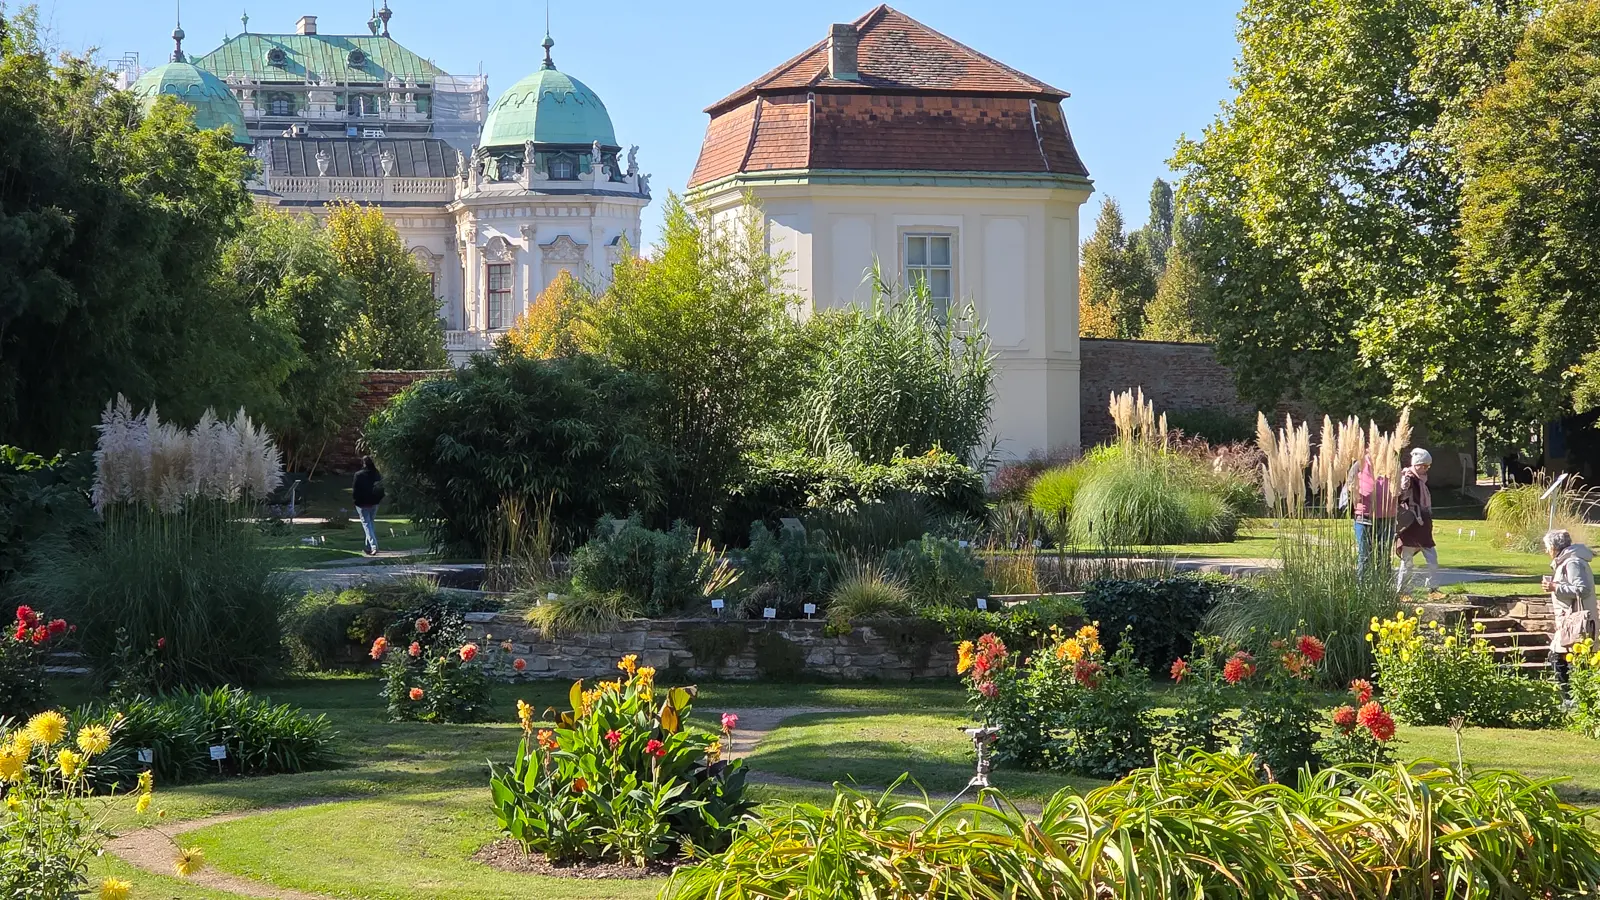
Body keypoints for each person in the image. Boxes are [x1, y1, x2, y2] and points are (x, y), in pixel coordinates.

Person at [1542, 529, 1598, 707]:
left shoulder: (1572, 562)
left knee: (1563, 658)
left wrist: (1555, 587)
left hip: (1576, 621)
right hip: (1569, 621)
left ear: (1554, 547)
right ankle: (1574, 699)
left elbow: (1583, 589)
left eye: (1547, 547)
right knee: (1564, 657)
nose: (1546, 551)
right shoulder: (1566, 561)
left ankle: (1572, 700)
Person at [1395, 448, 1438, 593]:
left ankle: (1433, 587)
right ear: (1417, 464)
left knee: (1432, 558)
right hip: (1411, 524)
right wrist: (1404, 482)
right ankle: (1402, 590)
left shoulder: (1421, 480)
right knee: (1407, 561)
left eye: (1428, 466)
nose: (1426, 469)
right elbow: (1401, 496)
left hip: (1423, 524)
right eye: (1424, 465)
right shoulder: (1408, 477)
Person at [1344, 452, 1393, 576]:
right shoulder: (1360, 463)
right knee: (1365, 555)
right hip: (1363, 517)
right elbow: (1350, 482)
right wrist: (1357, 492)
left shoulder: (1390, 463)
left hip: (1387, 517)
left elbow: (1397, 486)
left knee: (1384, 556)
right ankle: (1362, 590)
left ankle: (1385, 589)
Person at [352, 456, 385, 556]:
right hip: (374, 502)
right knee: (370, 524)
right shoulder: (376, 474)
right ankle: (368, 547)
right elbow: (381, 488)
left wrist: (356, 500)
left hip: (362, 504)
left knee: (367, 524)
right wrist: (378, 499)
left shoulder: (358, 475)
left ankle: (374, 546)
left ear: (363, 463)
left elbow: (355, 490)